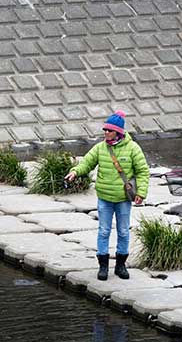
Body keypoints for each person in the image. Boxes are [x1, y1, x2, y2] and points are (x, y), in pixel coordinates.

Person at [64, 110, 149, 281]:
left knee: (124, 231)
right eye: (105, 130)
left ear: (118, 132)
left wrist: (141, 193)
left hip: (123, 199)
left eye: (109, 130)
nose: (105, 133)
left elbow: (142, 172)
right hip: (104, 198)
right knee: (103, 231)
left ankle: (120, 265)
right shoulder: (100, 148)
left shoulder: (133, 149)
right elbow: (86, 163)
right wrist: (75, 172)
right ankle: (103, 267)